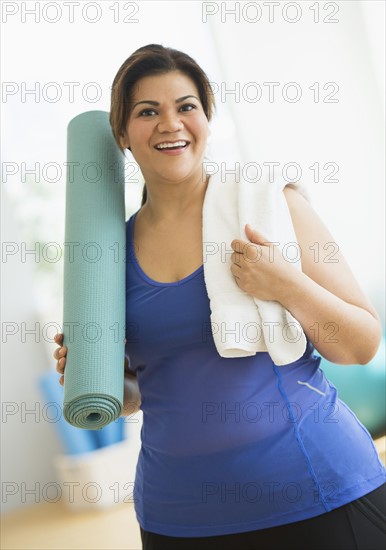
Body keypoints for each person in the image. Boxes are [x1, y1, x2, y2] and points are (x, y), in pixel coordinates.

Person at [53, 44, 386, 550]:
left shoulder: (272, 204)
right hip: (180, 517)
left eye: (186, 106)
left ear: (207, 117)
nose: (171, 123)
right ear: (121, 133)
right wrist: (100, 381)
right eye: (148, 111)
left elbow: (360, 345)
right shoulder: (106, 256)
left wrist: (285, 283)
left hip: (317, 492)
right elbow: (152, 390)